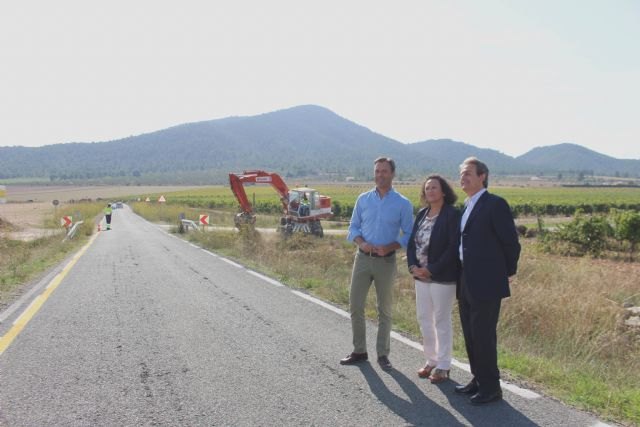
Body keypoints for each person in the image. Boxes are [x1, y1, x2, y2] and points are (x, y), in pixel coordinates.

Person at [455, 157, 521, 405]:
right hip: (466, 279)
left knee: (483, 336)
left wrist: (507, 271)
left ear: (482, 176)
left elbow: (511, 243)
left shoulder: (495, 204)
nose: (463, 177)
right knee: (471, 334)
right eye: (461, 174)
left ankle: (492, 387)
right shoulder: (467, 205)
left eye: (468, 173)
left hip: (487, 281)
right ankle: (478, 379)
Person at [340, 157, 414, 371]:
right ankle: (359, 351)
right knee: (355, 305)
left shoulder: (403, 203)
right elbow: (353, 228)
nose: (380, 174)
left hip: (386, 262)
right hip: (362, 259)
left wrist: (391, 247)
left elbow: (409, 234)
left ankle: (383, 354)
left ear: (392, 174)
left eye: (384, 171)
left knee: (385, 310)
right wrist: (361, 243)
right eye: (377, 171)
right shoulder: (363, 199)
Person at [406, 175, 460, 383]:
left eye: (434, 187)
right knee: (424, 319)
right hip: (420, 277)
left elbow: (453, 248)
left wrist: (431, 269)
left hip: (442, 277)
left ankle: (444, 365)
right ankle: (431, 360)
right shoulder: (422, 214)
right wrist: (413, 266)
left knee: (441, 320)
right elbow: (412, 244)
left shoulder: (452, 215)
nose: (430, 191)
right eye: (427, 188)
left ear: (444, 191)